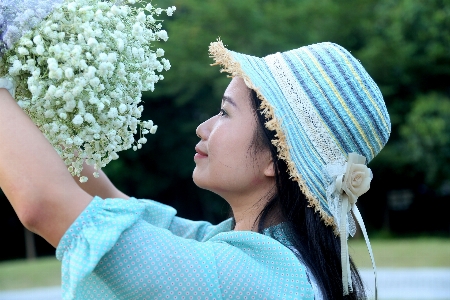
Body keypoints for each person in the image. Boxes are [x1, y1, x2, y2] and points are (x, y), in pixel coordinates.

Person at [0, 39, 390, 299]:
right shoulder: (262, 255)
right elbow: (113, 204)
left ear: (276, 155)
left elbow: (45, 204)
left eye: (224, 112)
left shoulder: (250, 278)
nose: (203, 128)